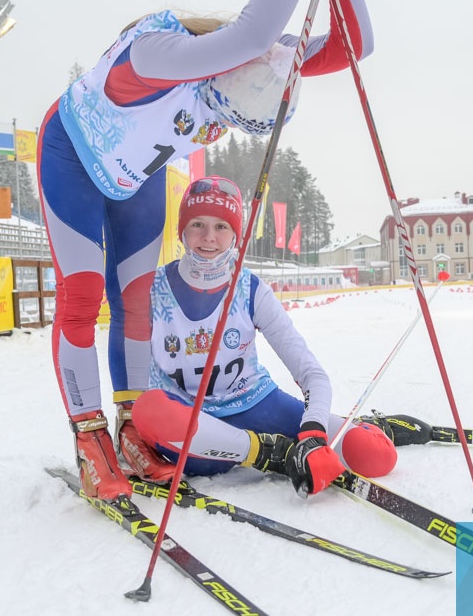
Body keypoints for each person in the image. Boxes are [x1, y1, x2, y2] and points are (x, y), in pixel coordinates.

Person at [36, 0, 374, 502]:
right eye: (226, 110)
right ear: (222, 70)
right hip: (73, 154)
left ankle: (131, 427)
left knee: (137, 299)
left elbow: (355, 47)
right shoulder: (154, 53)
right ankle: (89, 437)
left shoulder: (257, 65)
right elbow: (253, 31)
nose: (224, 123)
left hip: (138, 168)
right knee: (83, 293)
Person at [131, 177, 398, 496]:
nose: (208, 238)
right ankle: (271, 453)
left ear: (235, 234)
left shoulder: (251, 290)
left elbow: (310, 373)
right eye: (198, 224)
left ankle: (362, 427)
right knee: (147, 409)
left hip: (257, 407)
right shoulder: (151, 289)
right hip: (192, 426)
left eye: (221, 227)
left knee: (374, 455)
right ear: (182, 230)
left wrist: (313, 431)